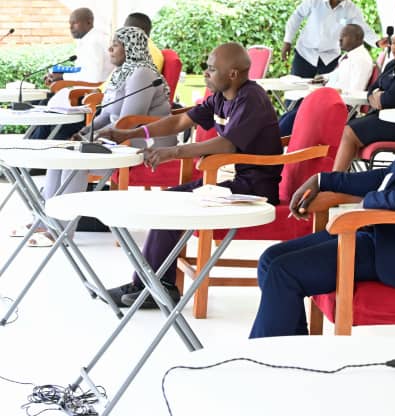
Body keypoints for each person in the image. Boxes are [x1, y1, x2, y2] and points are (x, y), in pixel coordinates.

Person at [250, 47, 395, 338]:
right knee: (270, 260)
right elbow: (391, 176)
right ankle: (291, 353)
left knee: (283, 271)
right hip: (384, 235)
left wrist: (369, 203)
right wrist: (326, 180)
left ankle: (269, 361)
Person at [99, 43, 283, 308]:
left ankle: (155, 285)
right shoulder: (221, 97)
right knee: (169, 201)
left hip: (253, 188)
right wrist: (129, 134)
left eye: (211, 69)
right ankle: (150, 284)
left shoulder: (251, 99)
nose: (206, 74)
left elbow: (226, 145)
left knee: (172, 203)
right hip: (227, 181)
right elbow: (178, 122)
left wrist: (173, 152)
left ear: (232, 73)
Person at [25, 27, 174, 247]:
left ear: (131, 47)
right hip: (122, 139)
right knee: (62, 156)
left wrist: (96, 137)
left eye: (116, 44)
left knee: (76, 164)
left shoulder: (142, 73)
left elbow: (127, 120)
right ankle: (48, 222)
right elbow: (106, 115)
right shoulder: (123, 72)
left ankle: (62, 232)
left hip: (144, 144)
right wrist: (84, 133)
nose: (110, 48)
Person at [330, 27, 395, 172]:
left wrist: (379, 97)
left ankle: (333, 182)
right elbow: (372, 89)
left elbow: (389, 99)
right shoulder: (392, 65)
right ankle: (339, 178)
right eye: (394, 43)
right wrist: (376, 96)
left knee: (349, 131)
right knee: (344, 127)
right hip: (382, 117)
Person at [29, 8, 114, 140]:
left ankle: (35, 145)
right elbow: (82, 70)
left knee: (45, 106)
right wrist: (59, 73)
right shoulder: (89, 39)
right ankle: (33, 143)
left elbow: (93, 77)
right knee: (41, 104)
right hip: (84, 92)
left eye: (74, 23)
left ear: (88, 22)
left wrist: (62, 77)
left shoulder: (94, 42)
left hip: (90, 97)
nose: (70, 27)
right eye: (69, 23)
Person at [277, 24, 374, 136]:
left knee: (294, 118)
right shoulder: (350, 56)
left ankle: (272, 147)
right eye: (340, 36)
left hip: (340, 108)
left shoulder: (361, 60)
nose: (339, 40)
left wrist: (328, 94)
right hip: (329, 102)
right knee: (289, 115)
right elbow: (337, 74)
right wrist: (324, 77)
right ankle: (272, 145)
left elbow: (355, 92)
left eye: (344, 36)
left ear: (357, 38)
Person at [281, 0, 377, 78]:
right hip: (305, 54)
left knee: (330, 91)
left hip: (330, 58)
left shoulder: (352, 9)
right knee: (296, 91)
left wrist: (377, 42)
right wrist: (287, 41)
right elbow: (297, 16)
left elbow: (363, 28)